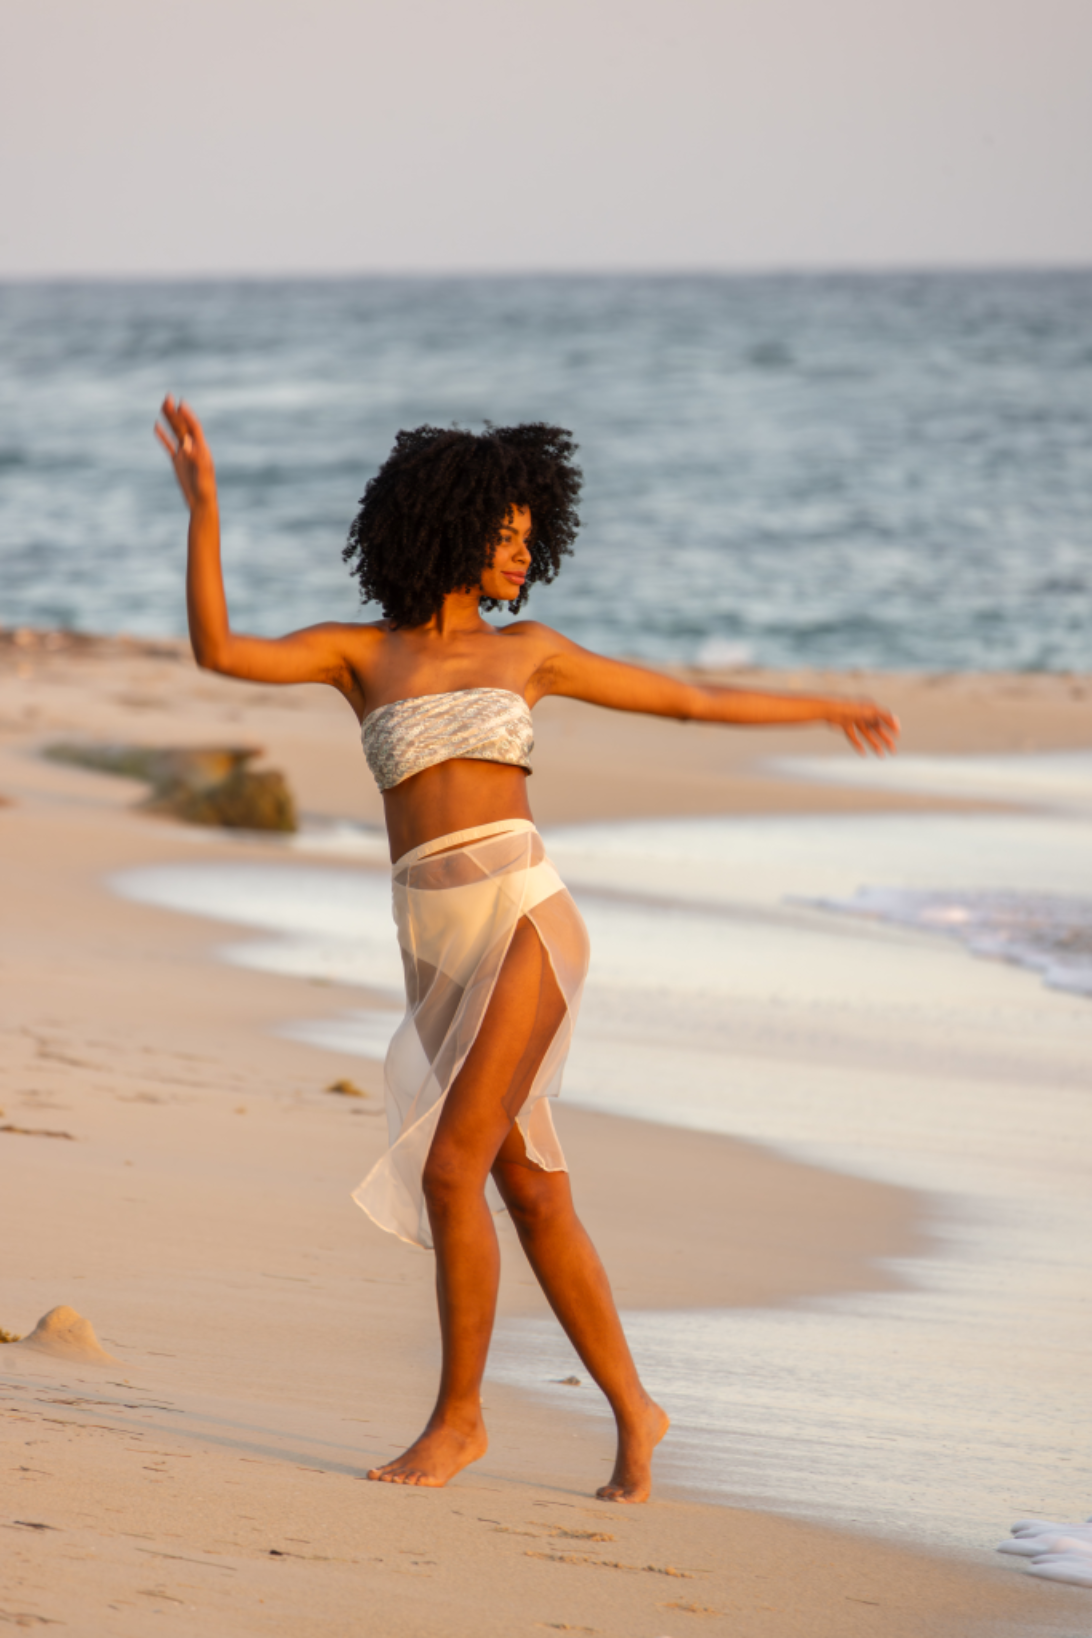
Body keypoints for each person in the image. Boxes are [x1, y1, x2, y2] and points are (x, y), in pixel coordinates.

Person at [156, 397, 899, 1502]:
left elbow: (688, 699)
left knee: (454, 1165)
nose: (522, 553)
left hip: (525, 918)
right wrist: (205, 507)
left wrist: (820, 704)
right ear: (448, 529)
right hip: (434, 949)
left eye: (527, 535)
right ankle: (638, 1409)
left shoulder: (531, 655)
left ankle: (459, 1422)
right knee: (532, 1191)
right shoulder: (362, 655)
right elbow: (220, 650)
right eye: (504, 533)